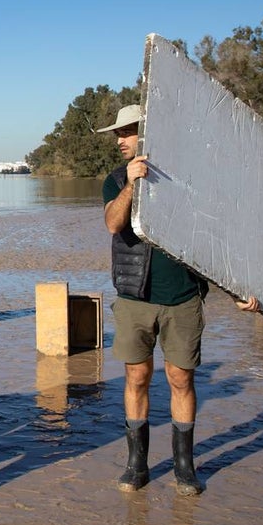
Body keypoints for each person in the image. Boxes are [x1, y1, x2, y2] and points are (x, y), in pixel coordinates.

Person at [99, 105, 252, 497]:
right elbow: (114, 224)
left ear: (149, 132)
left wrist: (237, 290)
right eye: (118, 133)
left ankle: (185, 464)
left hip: (183, 298)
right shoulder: (116, 179)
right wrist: (132, 184)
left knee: (181, 378)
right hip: (135, 296)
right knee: (137, 377)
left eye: (128, 132)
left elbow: (215, 239)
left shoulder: (188, 181)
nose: (120, 140)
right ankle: (137, 464)